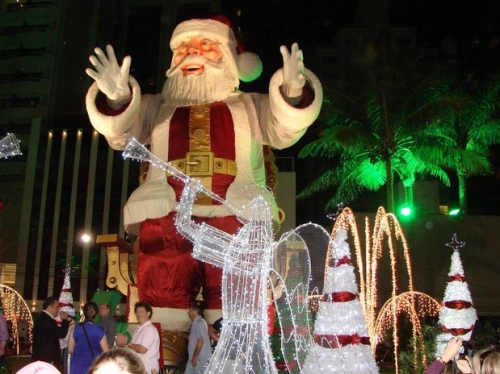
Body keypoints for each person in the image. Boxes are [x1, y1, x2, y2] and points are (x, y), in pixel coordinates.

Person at [85, 14, 322, 327]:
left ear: (229, 58)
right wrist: (118, 98)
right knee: (162, 273)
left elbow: (284, 128)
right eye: (182, 48)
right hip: (167, 207)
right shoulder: (156, 107)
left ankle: (234, 342)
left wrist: (291, 91)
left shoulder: (249, 105)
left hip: (234, 210)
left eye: (206, 45)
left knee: (234, 286)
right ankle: (163, 338)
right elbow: (120, 134)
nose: (191, 53)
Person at [116, 302, 160, 374]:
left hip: (148, 369)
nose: (138, 314)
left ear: (148, 314)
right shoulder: (138, 330)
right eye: (137, 312)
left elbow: (142, 349)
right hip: (138, 367)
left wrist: (127, 343)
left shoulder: (150, 329)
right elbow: (133, 348)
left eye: (141, 311)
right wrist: (123, 344)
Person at [68, 301, 109, 374]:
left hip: (77, 368)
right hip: (93, 368)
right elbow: (106, 353)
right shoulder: (99, 330)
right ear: (96, 314)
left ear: (84, 313)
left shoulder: (75, 328)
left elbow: (70, 349)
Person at [31, 297, 70, 370]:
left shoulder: (44, 318)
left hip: (43, 358)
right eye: (56, 307)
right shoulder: (46, 320)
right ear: (49, 307)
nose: (58, 309)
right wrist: (65, 320)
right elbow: (62, 333)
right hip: (46, 359)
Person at [182, 302, 211, 374]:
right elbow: (193, 339)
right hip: (195, 357)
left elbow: (200, 341)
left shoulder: (199, 323)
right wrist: (182, 335)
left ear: (195, 311)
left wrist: (195, 357)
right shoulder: (198, 323)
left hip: (199, 358)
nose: (188, 312)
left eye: (190, 310)